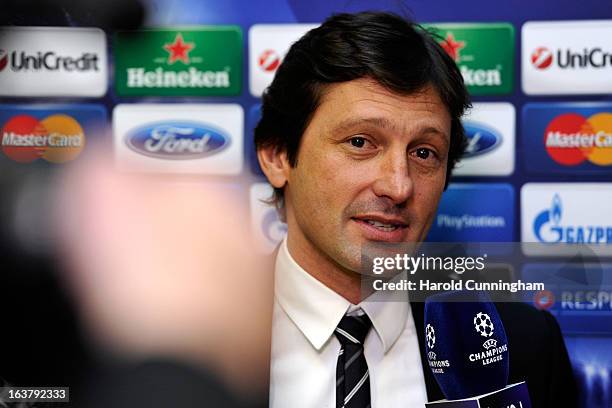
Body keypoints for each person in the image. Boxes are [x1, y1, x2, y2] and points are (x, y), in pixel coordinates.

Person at [255, 11, 577, 407]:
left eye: (424, 153)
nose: (398, 185)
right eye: (360, 142)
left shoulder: (524, 343)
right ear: (278, 156)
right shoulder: (185, 338)